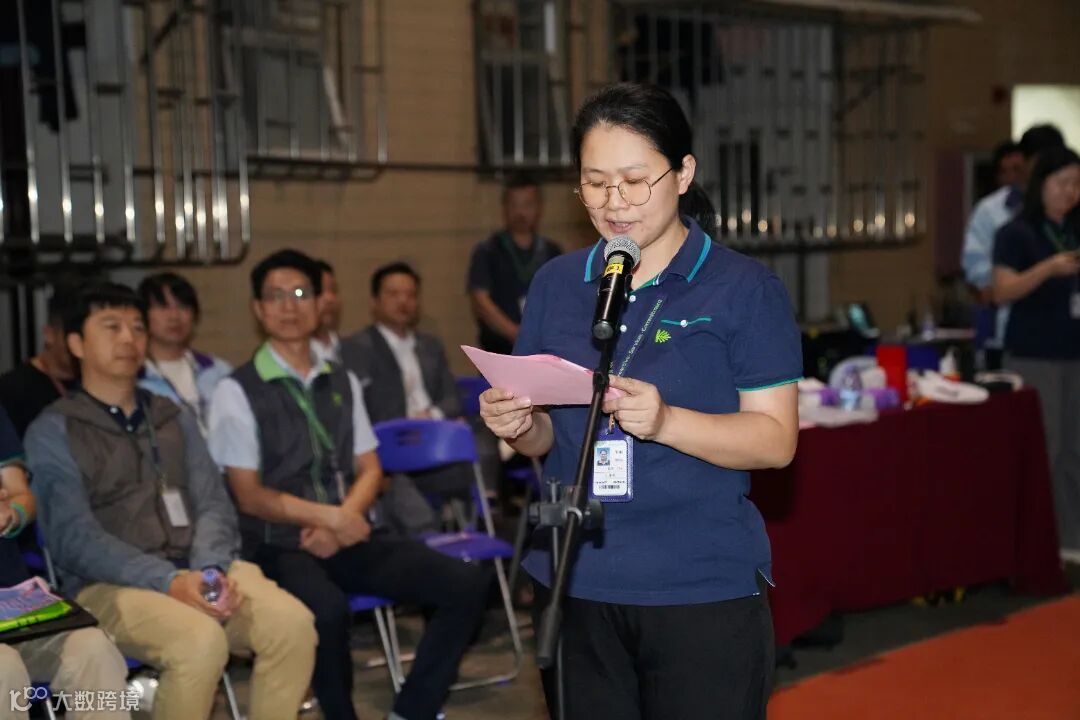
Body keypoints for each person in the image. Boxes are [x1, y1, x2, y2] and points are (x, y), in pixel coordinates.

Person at [479, 82, 802, 720]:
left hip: (698, 588)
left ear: (683, 173)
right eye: (595, 183)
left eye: (634, 181)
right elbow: (547, 438)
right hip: (575, 580)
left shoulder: (743, 289)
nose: (614, 203)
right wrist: (517, 424)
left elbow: (775, 441)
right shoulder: (557, 283)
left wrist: (666, 421)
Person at [207, 249, 491, 720]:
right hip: (277, 544)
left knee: (465, 583)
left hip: (348, 532)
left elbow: (370, 468)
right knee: (327, 611)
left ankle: (412, 711)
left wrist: (345, 521)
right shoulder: (236, 390)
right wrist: (333, 518)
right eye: (275, 296)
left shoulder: (340, 379)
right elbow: (249, 495)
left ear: (321, 303)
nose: (289, 306)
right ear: (258, 309)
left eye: (301, 293)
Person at [26, 281, 317, 720]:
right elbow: (74, 538)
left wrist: (209, 572)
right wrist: (169, 580)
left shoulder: (170, 416)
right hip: (108, 585)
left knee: (292, 626)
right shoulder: (54, 430)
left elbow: (213, 503)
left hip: (197, 567)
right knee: (199, 642)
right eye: (111, 327)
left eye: (137, 327)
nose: (129, 338)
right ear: (76, 344)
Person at [1, 406, 131, 720]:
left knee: (94, 649)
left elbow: (21, 495)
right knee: (3, 667)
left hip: (12, 607)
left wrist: (12, 514)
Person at [992, 145, 1080, 562]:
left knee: (1074, 448)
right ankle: (1043, 540)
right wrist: (1049, 269)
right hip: (1034, 354)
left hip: (1074, 353)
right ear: (1041, 184)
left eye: (1076, 184)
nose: (1070, 192)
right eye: (1062, 183)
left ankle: (1071, 535)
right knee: (1049, 447)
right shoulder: (1017, 232)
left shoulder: (1074, 228)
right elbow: (1001, 291)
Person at [962, 125, 1065, 367]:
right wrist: (1036, 278)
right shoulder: (995, 212)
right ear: (1026, 162)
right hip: (1015, 334)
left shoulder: (1070, 212)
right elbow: (983, 281)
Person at [467, 173, 562, 354]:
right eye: (514, 205)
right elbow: (481, 301)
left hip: (544, 351)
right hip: (499, 352)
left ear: (539, 207)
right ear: (504, 207)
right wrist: (517, 335)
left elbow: (563, 300)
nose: (520, 212)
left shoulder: (552, 251)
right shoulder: (488, 251)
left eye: (528, 205)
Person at [136, 272, 232, 436]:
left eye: (183, 307)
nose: (174, 316)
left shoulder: (218, 371)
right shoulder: (135, 377)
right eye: (163, 307)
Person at [0, 285, 78, 438]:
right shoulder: (11, 391)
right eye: (71, 337)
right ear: (49, 334)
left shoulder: (95, 382)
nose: (78, 346)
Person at [312, 260, 344, 364]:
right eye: (319, 292)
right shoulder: (285, 358)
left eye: (333, 290)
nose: (329, 299)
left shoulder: (357, 352)